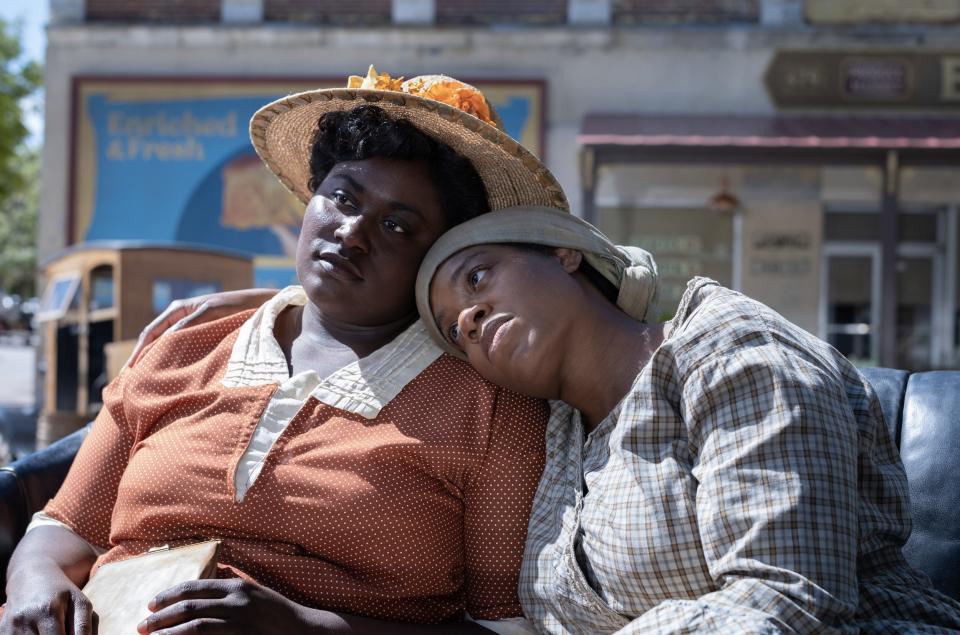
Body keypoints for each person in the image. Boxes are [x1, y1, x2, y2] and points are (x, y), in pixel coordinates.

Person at [2, 70, 569, 635]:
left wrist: (303, 625)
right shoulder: (180, 351)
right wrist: (34, 578)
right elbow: (65, 526)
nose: (351, 232)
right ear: (311, 198)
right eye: (343, 196)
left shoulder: (492, 409)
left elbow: (502, 630)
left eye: (397, 225)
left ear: (442, 257)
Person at [416, 205, 960, 634]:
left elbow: (786, 597)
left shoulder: (726, 347)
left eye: (478, 276)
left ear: (563, 252)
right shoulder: (557, 438)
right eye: (453, 331)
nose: (469, 317)